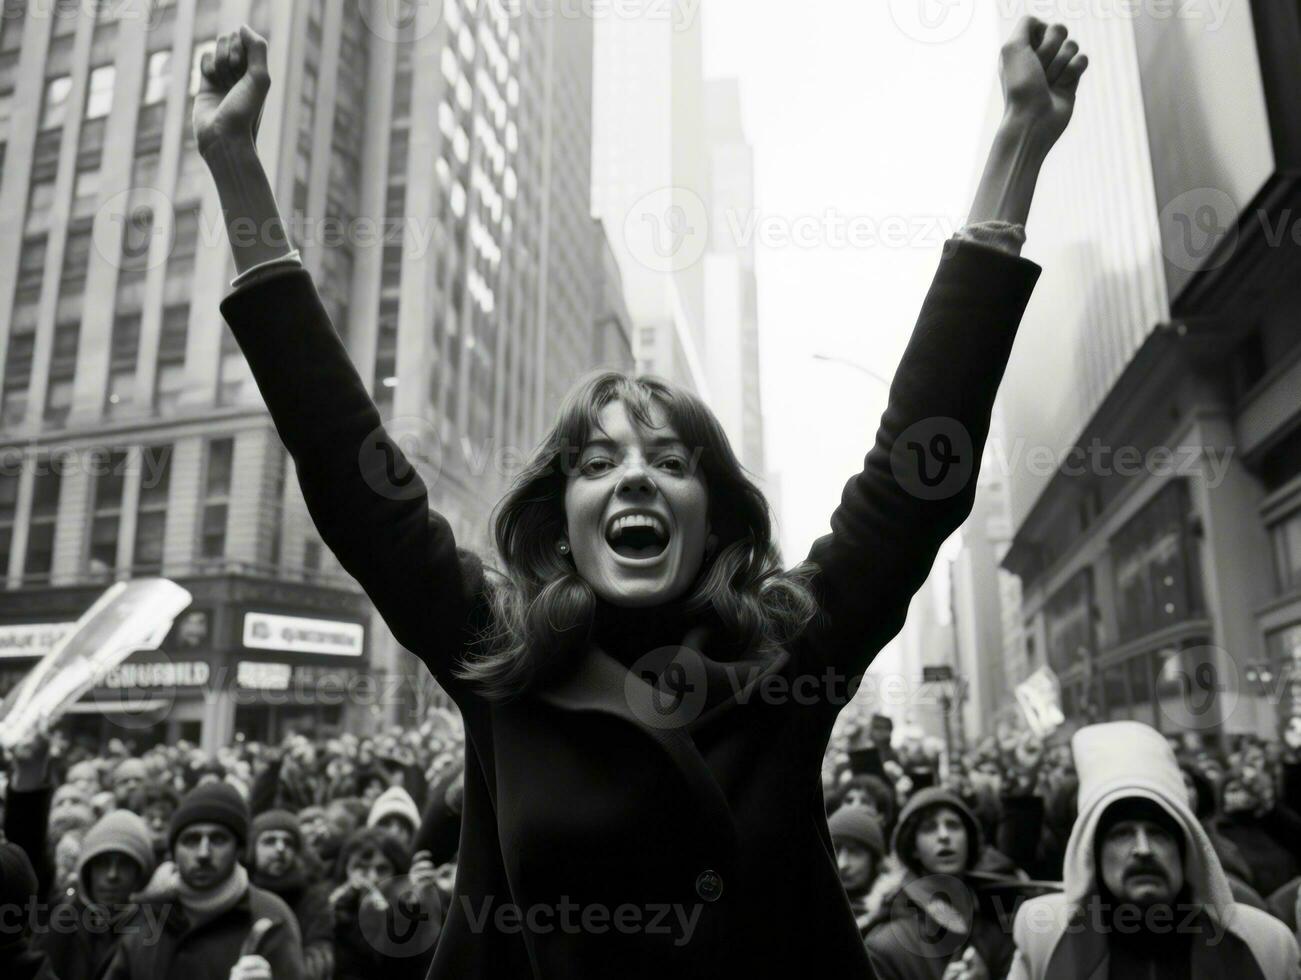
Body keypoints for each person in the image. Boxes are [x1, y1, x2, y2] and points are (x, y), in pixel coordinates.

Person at [195, 14, 1086, 977]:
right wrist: (236, 165)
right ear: (563, 521)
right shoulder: (498, 656)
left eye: (668, 460)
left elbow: (912, 480)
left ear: (712, 517)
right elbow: (351, 472)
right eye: (595, 464)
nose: (631, 477)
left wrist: (1017, 147)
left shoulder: (789, 653)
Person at [1008, 721, 1299, 979]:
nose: (1143, 850)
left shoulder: (1266, 946)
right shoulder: (1044, 937)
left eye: (1159, 833)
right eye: (1121, 834)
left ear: (1185, 845)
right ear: (1092, 851)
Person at [102, 782, 305, 980]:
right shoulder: (148, 917)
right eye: (191, 840)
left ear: (239, 850)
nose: (203, 853)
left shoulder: (270, 917)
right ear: (173, 851)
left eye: (218, 840)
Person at [864, 787, 1021, 979]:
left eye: (953, 825)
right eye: (929, 828)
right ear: (913, 847)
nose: (944, 835)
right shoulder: (884, 945)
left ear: (969, 841)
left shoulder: (994, 932)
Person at [41, 810, 156, 980]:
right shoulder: (63, 922)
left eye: (124, 864)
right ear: (88, 871)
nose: (112, 875)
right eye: (102, 863)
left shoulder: (154, 928)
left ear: (139, 875)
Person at [246, 811, 333, 980]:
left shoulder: (312, 898)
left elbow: (320, 957)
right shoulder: (239, 894)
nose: (280, 848)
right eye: (269, 841)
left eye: (288, 842)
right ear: (252, 849)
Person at [829, 805, 887, 937]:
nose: (842, 864)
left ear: (875, 862)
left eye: (854, 852)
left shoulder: (890, 922)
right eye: (834, 850)